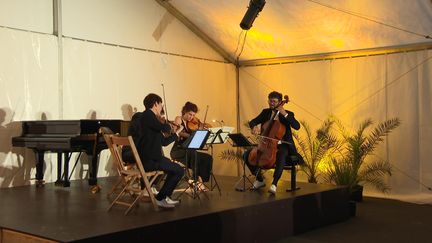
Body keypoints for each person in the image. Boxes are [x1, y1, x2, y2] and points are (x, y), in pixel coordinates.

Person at [127, 93, 184, 208]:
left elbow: (164, 142)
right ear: (155, 104)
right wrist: (169, 126)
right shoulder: (147, 115)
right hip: (150, 160)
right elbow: (163, 127)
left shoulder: (152, 122)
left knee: (177, 169)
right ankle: (161, 198)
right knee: (178, 170)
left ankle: (164, 197)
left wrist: (176, 133)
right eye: (161, 105)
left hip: (153, 158)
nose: (162, 107)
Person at [243, 91, 301, 194]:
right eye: (270, 101)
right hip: (266, 144)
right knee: (246, 154)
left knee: (282, 153)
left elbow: (297, 126)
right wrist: (254, 126)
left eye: (274, 101)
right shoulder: (265, 112)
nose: (271, 104)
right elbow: (253, 121)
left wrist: (285, 114)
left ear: (279, 102)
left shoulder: (288, 113)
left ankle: (274, 184)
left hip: (283, 144)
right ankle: (260, 180)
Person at [170, 102, 213, 189]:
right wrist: (191, 136)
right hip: (178, 150)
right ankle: (195, 180)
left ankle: (201, 180)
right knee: (194, 155)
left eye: (193, 115)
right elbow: (175, 132)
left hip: (189, 151)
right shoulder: (179, 119)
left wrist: (200, 131)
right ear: (184, 111)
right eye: (190, 114)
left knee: (208, 158)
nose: (191, 117)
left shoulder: (192, 123)